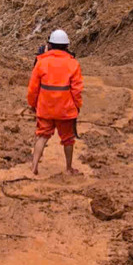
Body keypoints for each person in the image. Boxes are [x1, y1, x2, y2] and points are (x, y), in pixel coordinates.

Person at [27, 29, 84, 176]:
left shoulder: (41, 62)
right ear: (66, 46)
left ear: (50, 45)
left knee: (42, 135)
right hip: (66, 110)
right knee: (68, 139)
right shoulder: (73, 64)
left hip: (45, 107)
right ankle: (69, 168)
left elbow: (33, 88)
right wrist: (77, 106)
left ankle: (34, 167)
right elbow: (77, 89)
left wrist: (32, 104)